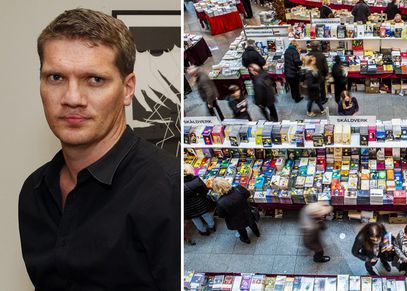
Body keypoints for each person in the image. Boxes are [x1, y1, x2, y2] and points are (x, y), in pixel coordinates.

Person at [19, 8, 179, 290]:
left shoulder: (167, 191)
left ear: (127, 89)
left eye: (95, 80)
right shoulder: (34, 191)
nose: (72, 98)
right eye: (56, 77)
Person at [212, 178, 260, 244]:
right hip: (247, 212)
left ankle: (246, 240)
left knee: (241, 230)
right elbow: (247, 194)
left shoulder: (220, 202)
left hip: (235, 220)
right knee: (252, 223)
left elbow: (221, 215)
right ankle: (257, 233)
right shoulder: (238, 189)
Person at [184, 164, 215, 236]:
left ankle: (203, 231)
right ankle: (212, 226)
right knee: (205, 214)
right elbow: (205, 191)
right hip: (200, 202)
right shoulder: (196, 180)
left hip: (187, 206)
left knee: (195, 218)